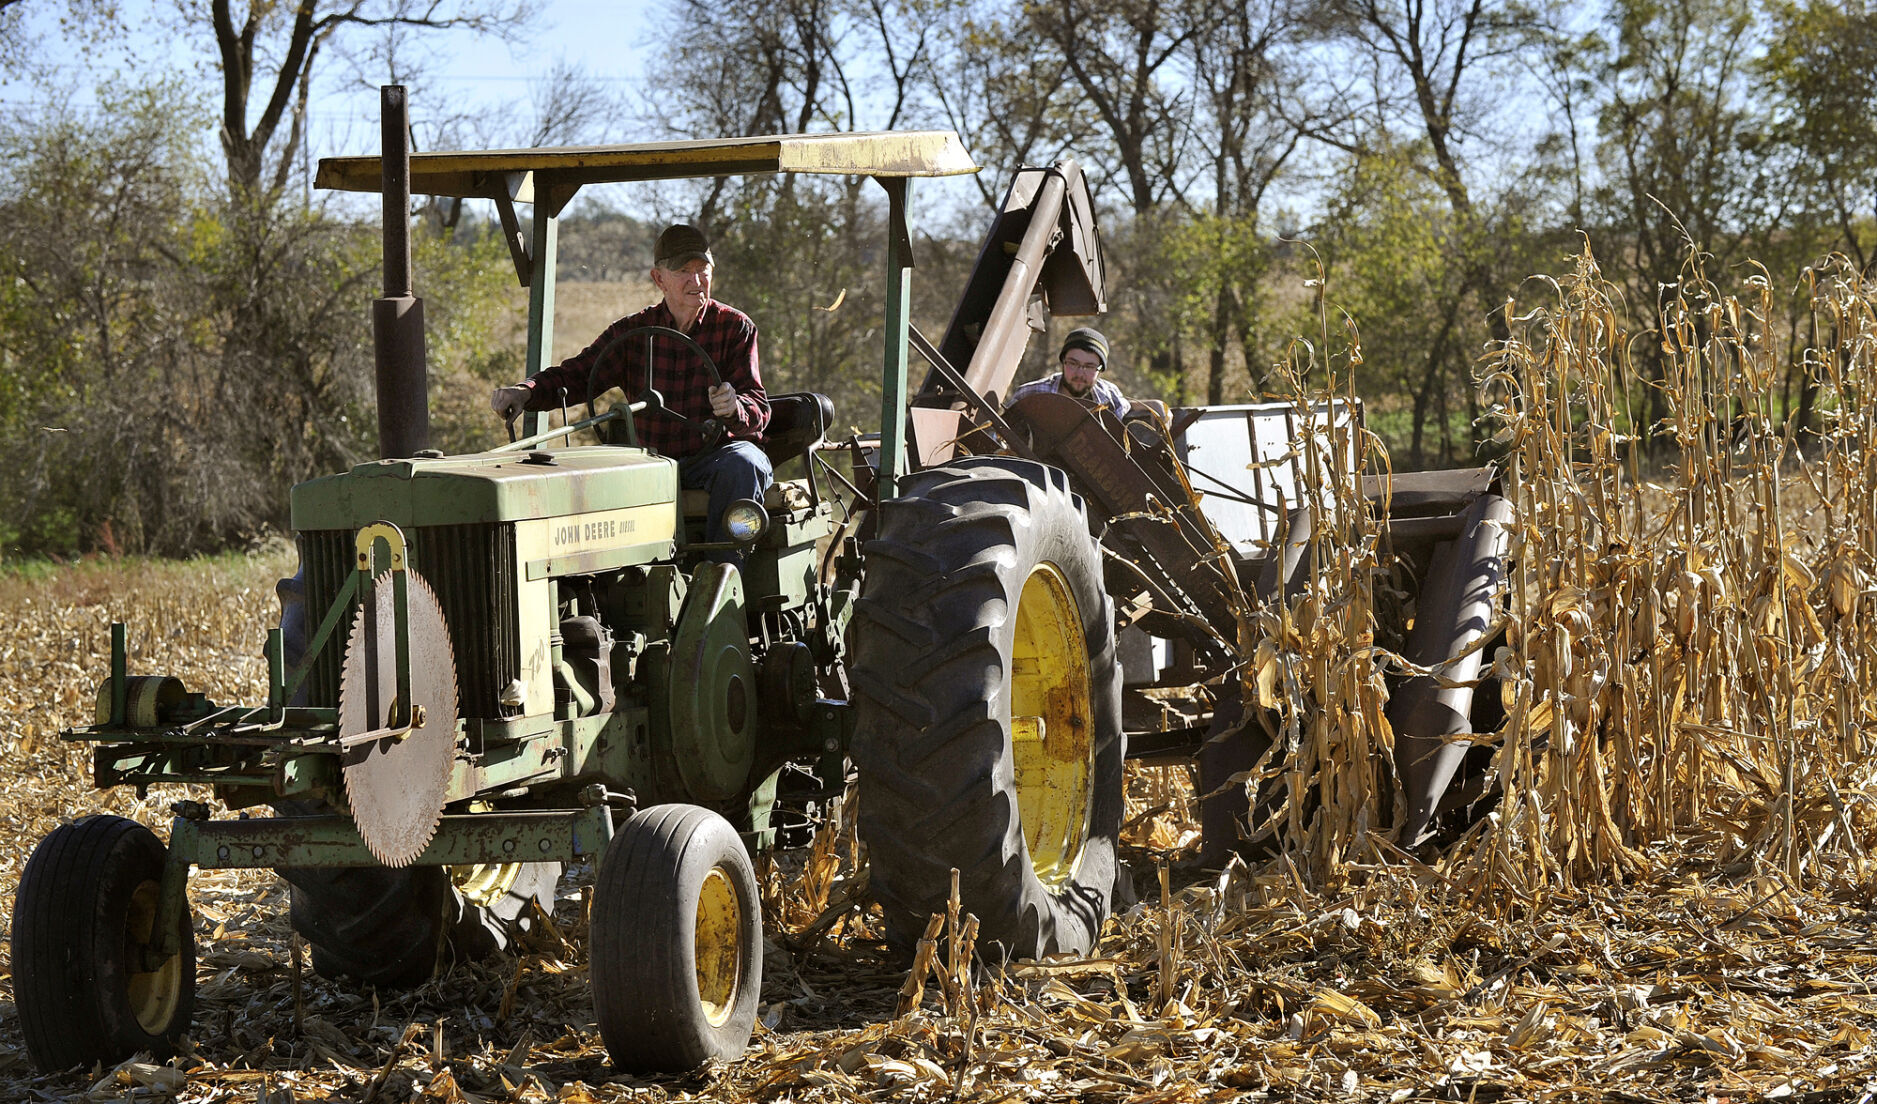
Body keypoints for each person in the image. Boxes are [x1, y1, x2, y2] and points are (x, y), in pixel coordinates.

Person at [491, 223, 772, 548]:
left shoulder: (735, 327)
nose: (696, 281)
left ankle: (723, 571)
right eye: (684, 271)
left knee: (745, 462)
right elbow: (578, 375)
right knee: (582, 471)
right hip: (648, 463)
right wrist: (526, 391)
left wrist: (735, 407)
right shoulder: (633, 332)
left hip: (712, 460)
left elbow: (757, 405)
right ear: (659, 279)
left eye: (703, 270)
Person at [1007, 326, 1130, 420]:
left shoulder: (1108, 396)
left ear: (1100, 370)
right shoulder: (1032, 394)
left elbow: (1127, 408)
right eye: (1073, 363)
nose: (1080, 373)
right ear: (1063, 362)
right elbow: (998, 436)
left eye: (1089, 366)